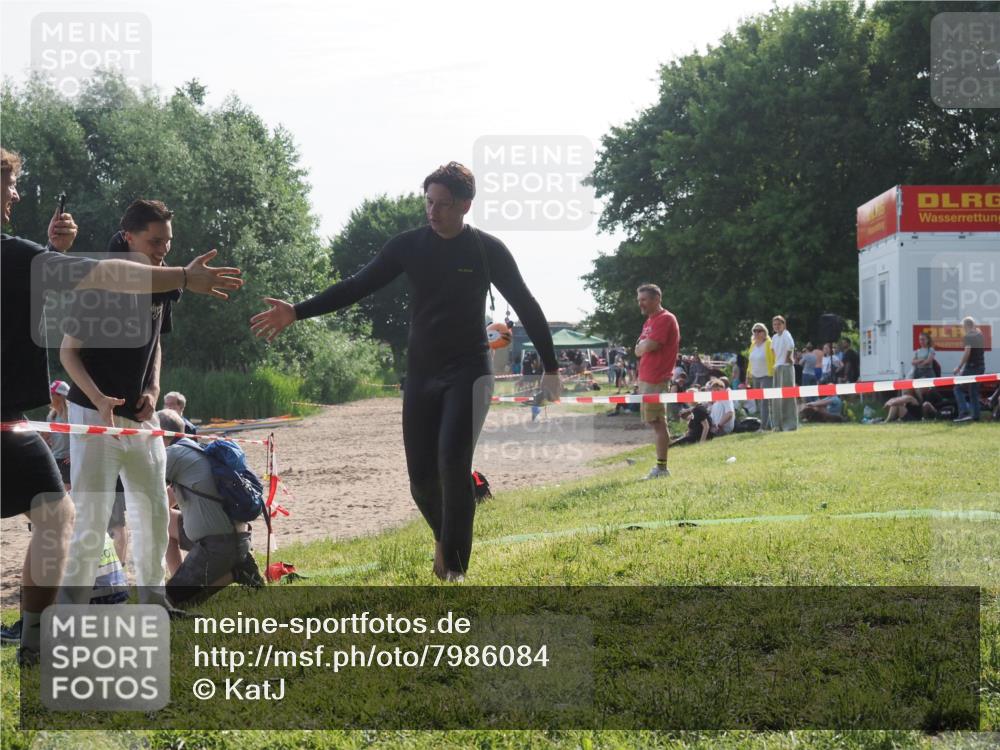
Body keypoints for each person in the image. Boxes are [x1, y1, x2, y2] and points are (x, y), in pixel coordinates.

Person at [251, 162, 560, 581]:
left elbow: (527, 305)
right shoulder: (408, 246)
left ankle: (454, 571)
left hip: (470, 370)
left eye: (444, 205)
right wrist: (297, 312)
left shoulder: (487, 250)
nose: (433, 212)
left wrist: (551, 368)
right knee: (421, 482)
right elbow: (355, 286)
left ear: (466, 206)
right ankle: (445, 538)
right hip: (422, 373)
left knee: (452, 464)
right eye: (428, 202)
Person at [1, 146, 241, 662]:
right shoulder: (32, 258)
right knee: (70, 517)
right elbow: (94, 290)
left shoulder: (16, 253)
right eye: (10, 184)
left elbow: (46, 280)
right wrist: (181, 276)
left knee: (85, 514)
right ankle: (50, 629)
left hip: (36, 423)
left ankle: (43, 639)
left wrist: (52, 251)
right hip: (69, 421)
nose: (16, 194)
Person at [57, 199, 232, 608]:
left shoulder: (164, 280)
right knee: (91, 519)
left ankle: (156, 601)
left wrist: (153, 391)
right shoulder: (101, 277)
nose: (163, 250)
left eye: (168, 241)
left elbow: (156, 345)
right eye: (155, 241)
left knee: (154, 512)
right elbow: (67, 353)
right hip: (92, 416)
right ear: (127, 237)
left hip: (141, 420)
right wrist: (99, 399)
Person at [158, 409, 263, 605]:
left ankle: (237, 572)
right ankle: (184, 576)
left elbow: (141, 482)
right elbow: (165, 500)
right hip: (236, 536)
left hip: (218, 545)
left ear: (161, 433)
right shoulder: (194, 450)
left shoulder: (173, 455)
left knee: (170, 603)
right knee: (165, 521)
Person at [631, 284, 681, 479]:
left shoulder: (665, 319)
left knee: (658, 421)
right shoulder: (649, 321)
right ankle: (660, 467)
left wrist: (643, 346)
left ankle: (661, 468)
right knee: (654, 422)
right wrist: (642, 346)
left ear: (656, 299)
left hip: (656, 378)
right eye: (639, 300)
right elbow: (637, 349)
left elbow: (650, 345)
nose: (640, 304)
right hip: (646, 377)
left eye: (643, 300)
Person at [953, 316, 986, 422]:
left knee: (957, 388)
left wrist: (959, 367)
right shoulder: (979, 334)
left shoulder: (968, 336)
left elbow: (967, 352)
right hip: (981, 366)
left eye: (963, 327)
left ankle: (964, 413)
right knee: (973, 392)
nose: (963, 329)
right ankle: (975, 417)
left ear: (966, 326)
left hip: (971, 367)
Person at [770, 315, 797, 431]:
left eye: (779, 324)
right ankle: (778, 424)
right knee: (777, 397)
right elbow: (772, 350)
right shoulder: (775, 337)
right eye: (775, 324)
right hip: (778, 366)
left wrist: (788, 358)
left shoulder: (787, 334)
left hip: (786, 367)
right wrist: (777, 360)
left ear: (783, 325)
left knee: (787, 396)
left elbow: (791, 346)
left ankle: (789, 424)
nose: (777, 326)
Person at [746, 323, 775, 429]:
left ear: (765, 332)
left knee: (765, 402)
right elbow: (750, 361)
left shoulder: (769, 343)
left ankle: (763, 427)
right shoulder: (753, 345)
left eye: (759, 331)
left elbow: (774, 359)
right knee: (759, 401)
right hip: (755, 375)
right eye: (755, 331)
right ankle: (769, 424)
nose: (757, 333)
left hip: (767, 375)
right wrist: (748, 374)